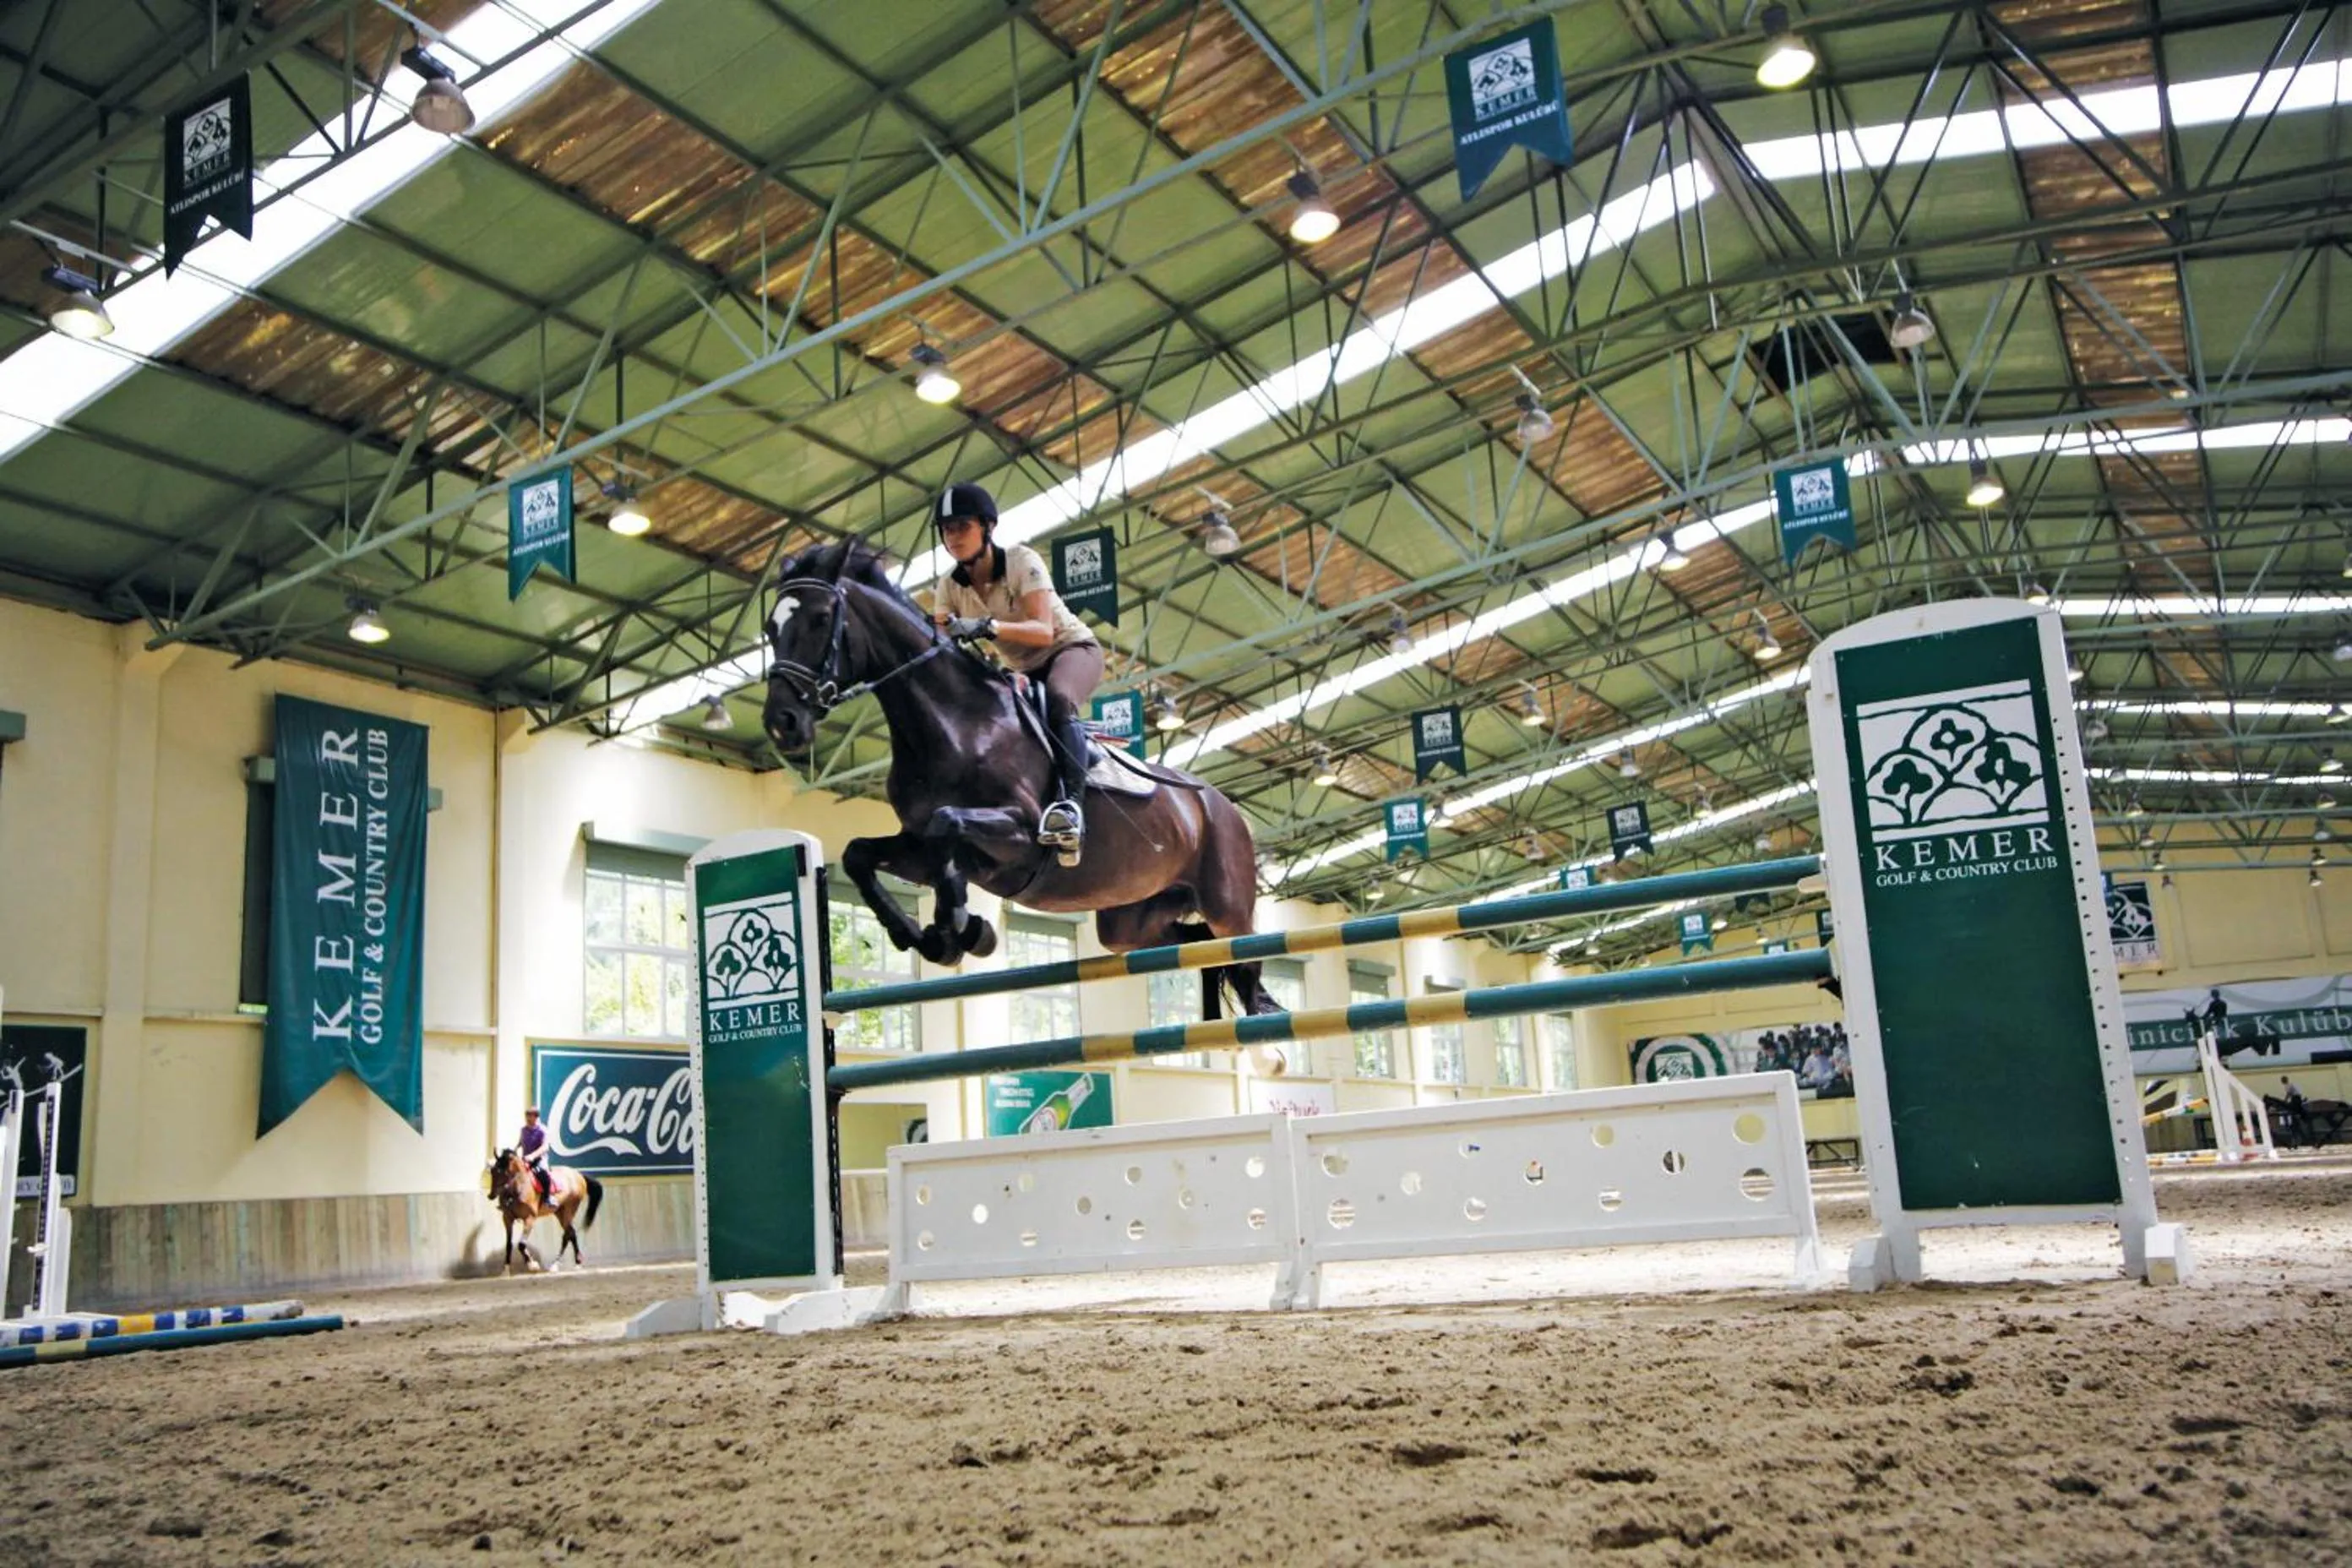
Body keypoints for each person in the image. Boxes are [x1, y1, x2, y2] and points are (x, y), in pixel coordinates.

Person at [929, 482, 1106, 864]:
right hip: (1021, 669)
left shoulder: (1021, 561)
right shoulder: (948, 585)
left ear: (987, 527)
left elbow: (1043, 632)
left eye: (962, 526)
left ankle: (1071, 810)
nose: (953, 537)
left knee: (1060, 698)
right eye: (947, 530)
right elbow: (941, 644)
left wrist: (985, 626)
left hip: (1070, 650)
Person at [518, 1106, 553, 1206]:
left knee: (544, 1176)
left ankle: (547, 1198)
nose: (528, 1119)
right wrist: (514, 1150)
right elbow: (520, 1142)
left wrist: (532, 1156)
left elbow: (545, 1147)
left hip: (539, 1160)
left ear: (536, 1117)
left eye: (530, 1116)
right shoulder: (523, 1130)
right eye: (526, 1116)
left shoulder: (543, 1130)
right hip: (526, 1160)